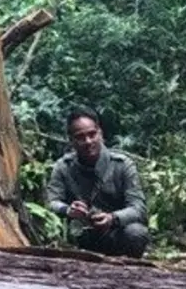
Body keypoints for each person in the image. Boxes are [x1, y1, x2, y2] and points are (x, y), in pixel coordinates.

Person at [46, 106, 149, 258]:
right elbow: (51, 202)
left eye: (92, 134)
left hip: (115, 235)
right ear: (71, 140)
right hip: (78, 236)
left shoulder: (122, 165)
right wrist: (68, 210)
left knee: (136, 232)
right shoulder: (63, 167)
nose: (88, 141)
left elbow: (138, 208)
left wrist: (112, 218)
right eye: (80, 137)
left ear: (100, 133)